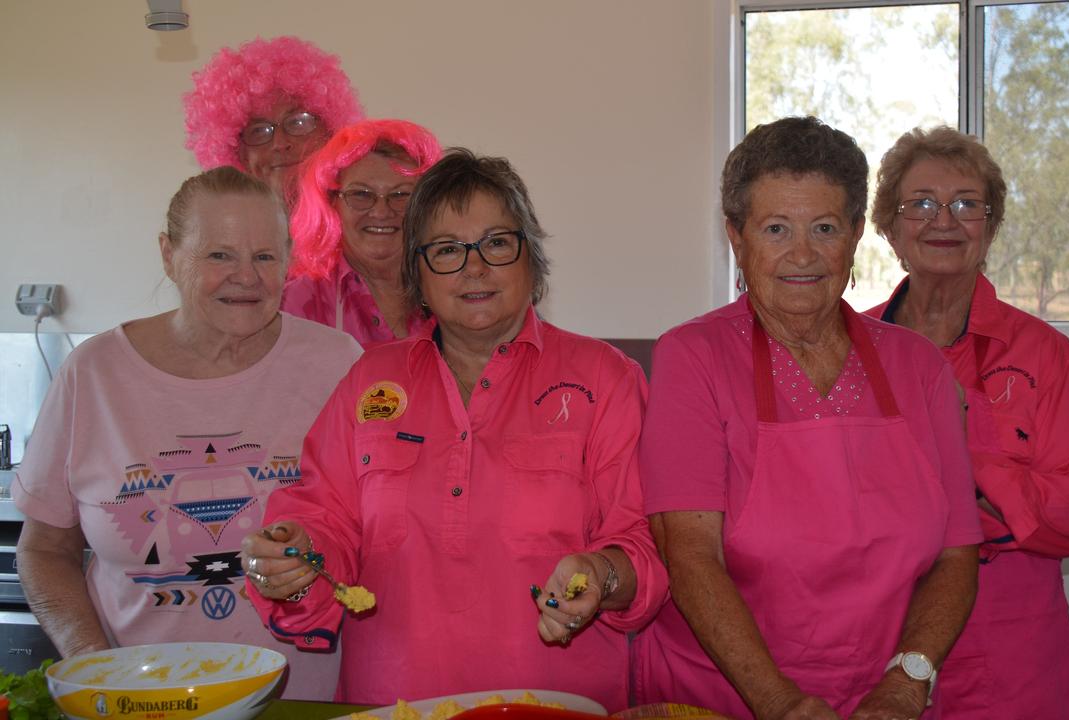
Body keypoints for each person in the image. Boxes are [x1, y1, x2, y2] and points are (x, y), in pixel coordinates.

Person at [242, 149, 665, 710]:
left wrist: (601, 574)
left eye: (495, 243)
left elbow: (646, 546)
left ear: (531, 259)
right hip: (393, 705)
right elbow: (323, 523)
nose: (474, 268)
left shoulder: (605, 378)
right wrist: (293, 562)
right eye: (446, 250)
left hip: (558, 705)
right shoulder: (369, 380)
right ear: (416, 273)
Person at [633, 116, 982, 720]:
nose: (802, 253)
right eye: (775, 229)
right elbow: (689, 554)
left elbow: (957, 555)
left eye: (824, 228)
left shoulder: (917, 366)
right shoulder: (693, 357)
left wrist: (907, 679)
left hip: (885, 700)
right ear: (735, 238)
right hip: (723, 699)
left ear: (853, 237)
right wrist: (780, 702)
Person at [12, 167, 362, 700]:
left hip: (304, 703)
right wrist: (93, 665)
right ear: (168, 255)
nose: (246, 276)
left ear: (288, 260)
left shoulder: (338, 365)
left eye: (265, 256)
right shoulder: (94, 373)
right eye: (218, 254)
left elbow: (383, 528)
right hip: (138, 698)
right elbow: (43, 550)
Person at [866, 125, 1069, 719]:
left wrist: (968, 461)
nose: (945, 220)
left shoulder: (1041, 352)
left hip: (1009, 649)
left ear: (990, 228)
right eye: (922, 204)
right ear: (889, 228)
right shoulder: (849, 347)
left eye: (966, 204)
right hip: (873, 640)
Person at [282, 119, 444, 347]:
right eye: (361, 194)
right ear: (332, 202)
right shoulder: (295, 304)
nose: (380, 211)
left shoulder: (450, 289)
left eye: (400, 195)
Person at [183, 36, 364, 204]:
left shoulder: (367, 219)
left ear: (330, 132)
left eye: (298, 122)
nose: (280, 143)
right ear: (239, 153)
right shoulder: (224, 232)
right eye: (259, 131)